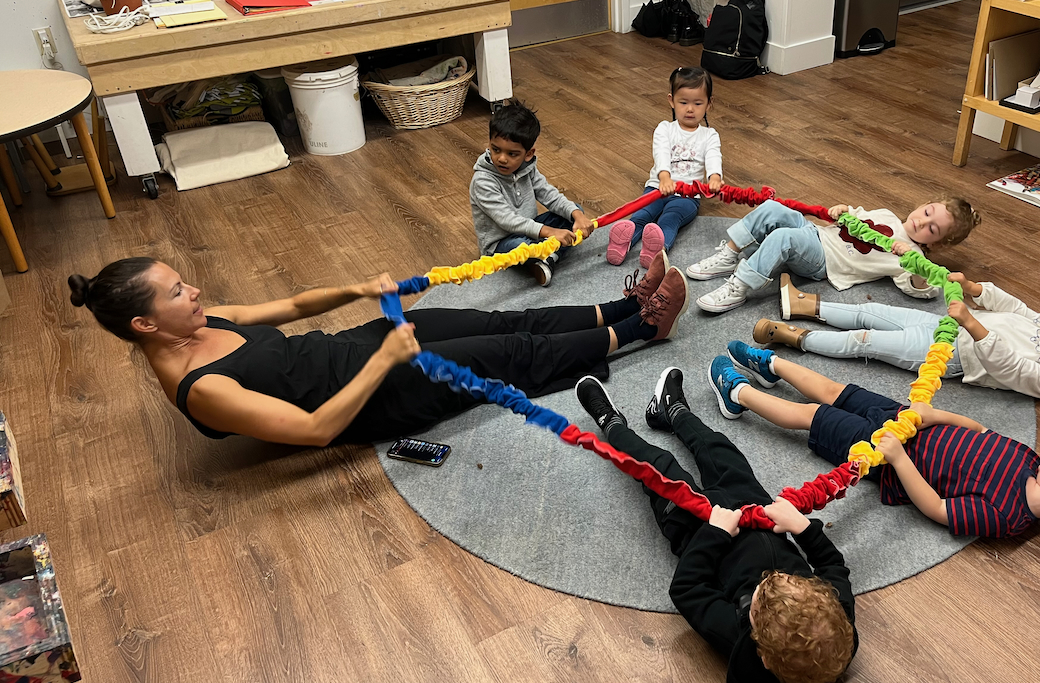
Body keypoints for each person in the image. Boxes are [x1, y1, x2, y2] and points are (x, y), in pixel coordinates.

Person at [66, 252, 688, 447]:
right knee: (504, 354)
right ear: (147, 326)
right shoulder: (201, 390)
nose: (194, 290)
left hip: (354, 346)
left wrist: (357, 290)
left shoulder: (201, 321)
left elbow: (287, 309)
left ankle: (625, 306)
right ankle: (642, 331)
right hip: (372, 398)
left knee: (491, 318)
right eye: (177, 291)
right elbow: (314, 430)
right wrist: (387, 359)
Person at [574, 367, 856, 683]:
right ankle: (673, 413)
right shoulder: (835, 626)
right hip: (758, 511)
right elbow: (831, 564)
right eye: (791, 579)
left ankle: (611, 424)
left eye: (758, 596)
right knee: (719, 450)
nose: (776, 576)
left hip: (698, 527)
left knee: (656, 466)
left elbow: (686, 590)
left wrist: (715, 534)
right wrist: (802, 527)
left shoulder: (737, 638)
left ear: (761, 653)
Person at [707, 350, 1040, 551]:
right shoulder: (1030, 459)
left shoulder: (1008, 518)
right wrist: (934, 415)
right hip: (906, 421)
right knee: (836, 390)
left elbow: (936, 507)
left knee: (811, 415)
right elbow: (979, 429)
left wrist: (896, 457)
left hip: (884, 452)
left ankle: (737, 393)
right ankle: (772, 364)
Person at [751, 272, 1040, 419]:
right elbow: (1018, 310)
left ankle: (795, 338)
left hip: (952, 353)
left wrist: (971, 323)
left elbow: (1009, 366)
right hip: (950, 325)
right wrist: (978, 290)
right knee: (871, 313)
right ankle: (806, 304)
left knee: (867, 341)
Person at [685, 196, 981, 314]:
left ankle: (741, 286)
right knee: (773, 208)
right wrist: (840, 212)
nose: (922, 222)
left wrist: (915, 264)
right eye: (927, 213)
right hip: (819, 233)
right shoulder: (886, 214)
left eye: (933, 229)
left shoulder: (910, 256)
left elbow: (924, 290)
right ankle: (730, 253)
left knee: (783, 237)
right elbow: (848, 218)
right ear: (924, 204)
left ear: (939, 243)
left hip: (825, 259)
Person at [607, 67, 724, 268]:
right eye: (683, 102)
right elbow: (661, 153)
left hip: (687, 196)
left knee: (670, 219)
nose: (690, 109)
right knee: (643, 214)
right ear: (671, 100)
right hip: (657, 188)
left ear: (709, 104)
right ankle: (621, 243)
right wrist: (664, 177)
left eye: (698, 103)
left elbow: (714, 156)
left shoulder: (709, 135)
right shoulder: (664, 129)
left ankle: (657, 250)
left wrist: (714, 177)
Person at [470, 100, 594, 287]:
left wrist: (577, 215)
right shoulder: (482, 181)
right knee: (522, 247)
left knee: (574, 210)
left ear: (528, 154)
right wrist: (550, 232)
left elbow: (549, 194)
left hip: (532, 231)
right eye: (496, 149)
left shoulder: (527, 168)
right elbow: (507, 220)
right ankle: (548, 255)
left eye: (512, 154)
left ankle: (546, 257)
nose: (502, 158)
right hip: (500, 244)